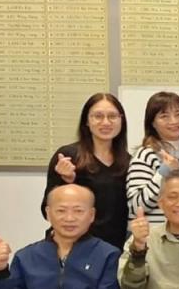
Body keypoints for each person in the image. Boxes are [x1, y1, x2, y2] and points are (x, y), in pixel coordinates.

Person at [44, 93, 131, 250]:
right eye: (98, 116)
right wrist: (65, 182)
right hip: (74, 246)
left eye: (112, 116)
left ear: (121, 120)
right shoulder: (68, 156)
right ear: (86, 121)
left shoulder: (128, 161)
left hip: (115, 247)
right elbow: (47, 209)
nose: (106, 122)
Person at [127, 91, 179, 219]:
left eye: (178, 114)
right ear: (152, 123)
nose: (173, 121)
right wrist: (164, 172)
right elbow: (136, 206)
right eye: (164, 116)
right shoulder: (146, 155)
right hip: (154, 231)